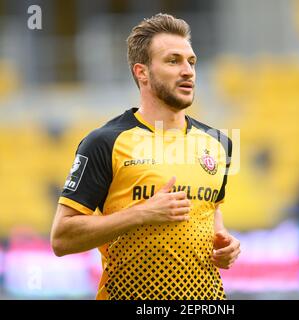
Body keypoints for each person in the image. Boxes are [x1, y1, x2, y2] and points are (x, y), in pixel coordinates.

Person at [50, 13, 240, 300]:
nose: (188, 71)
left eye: (191, 61)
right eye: (173, 61)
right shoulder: (105, 141)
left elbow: (210, 211)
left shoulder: (219, 142)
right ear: (142, 73)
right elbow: (61, 238)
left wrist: (224, 244)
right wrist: (142, 213)